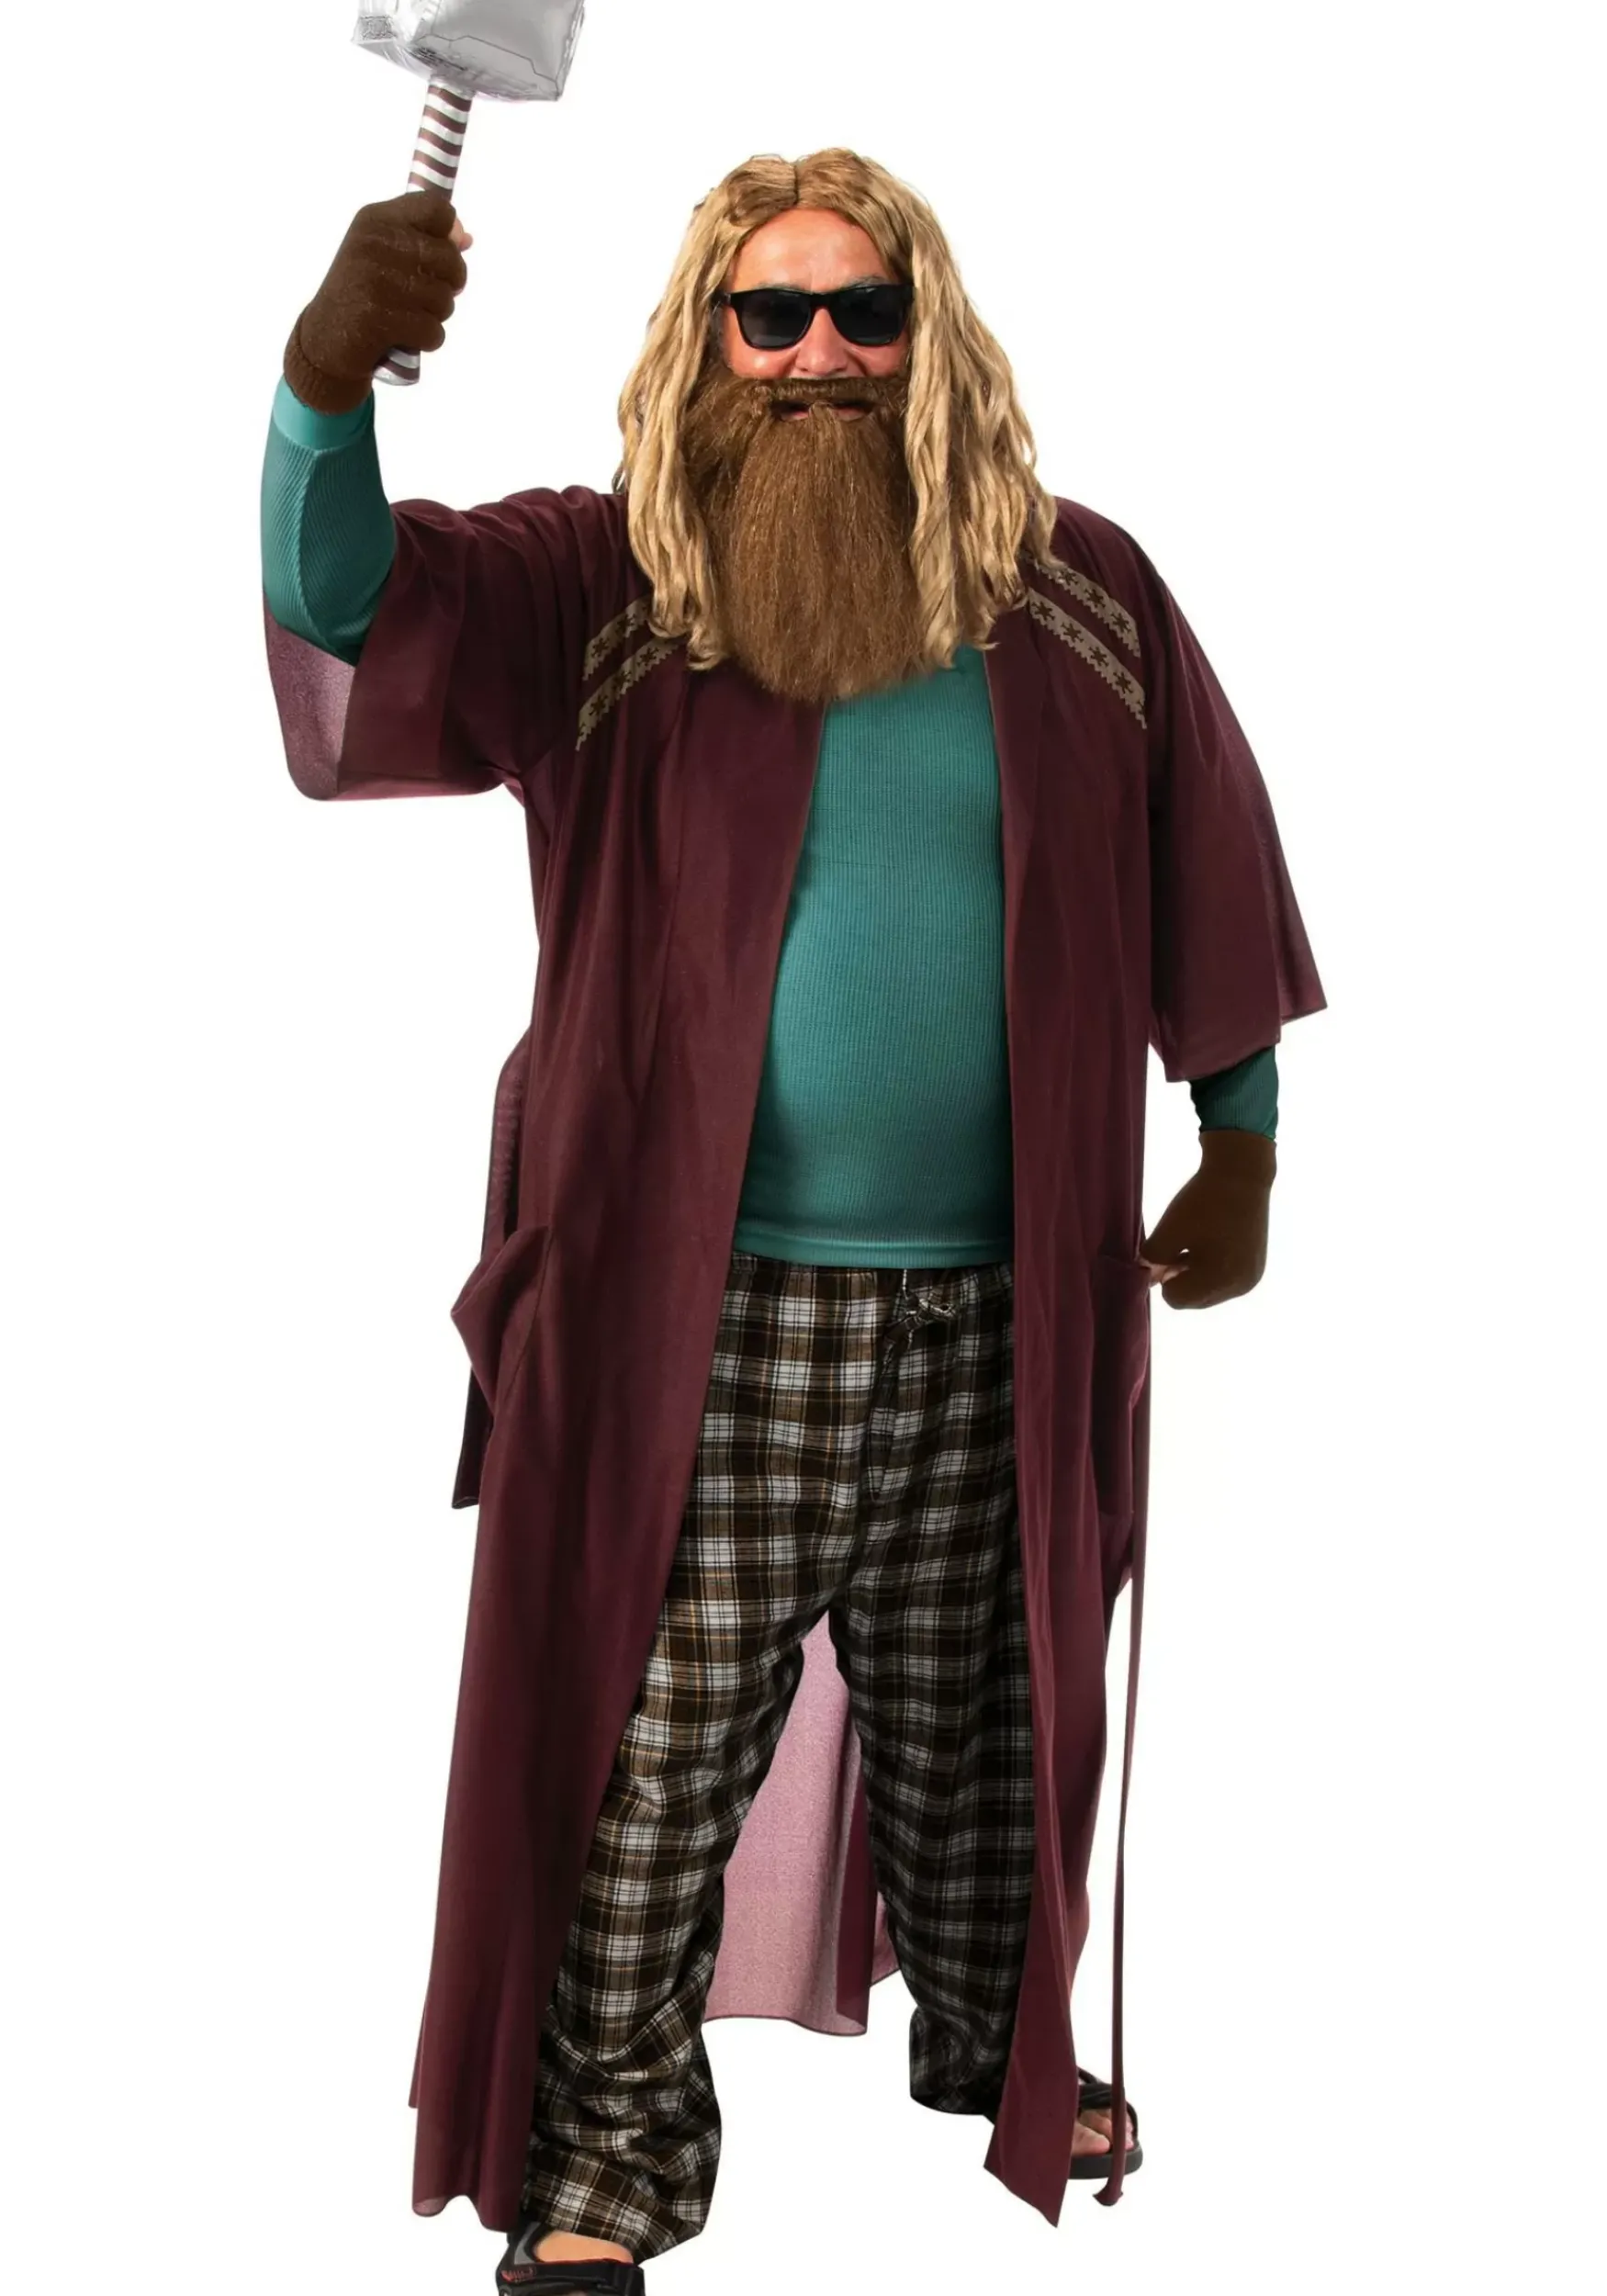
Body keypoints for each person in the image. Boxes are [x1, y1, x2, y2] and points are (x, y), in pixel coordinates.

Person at [261, 148, 1323, 2294]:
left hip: (999, 1308)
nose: (820, 352)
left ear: (931, 339)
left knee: (986, 1723)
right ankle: (607, 2160)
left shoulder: (1075, 592)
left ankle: (1002, 2048)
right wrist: (323, 388)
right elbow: (353, 605)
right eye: (773, 314)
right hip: (701, 1314)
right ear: (708, 342)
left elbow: (1201, 841)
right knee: (647, 1755)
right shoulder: (609, 583)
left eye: (864, 311)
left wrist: (1241, 1134)